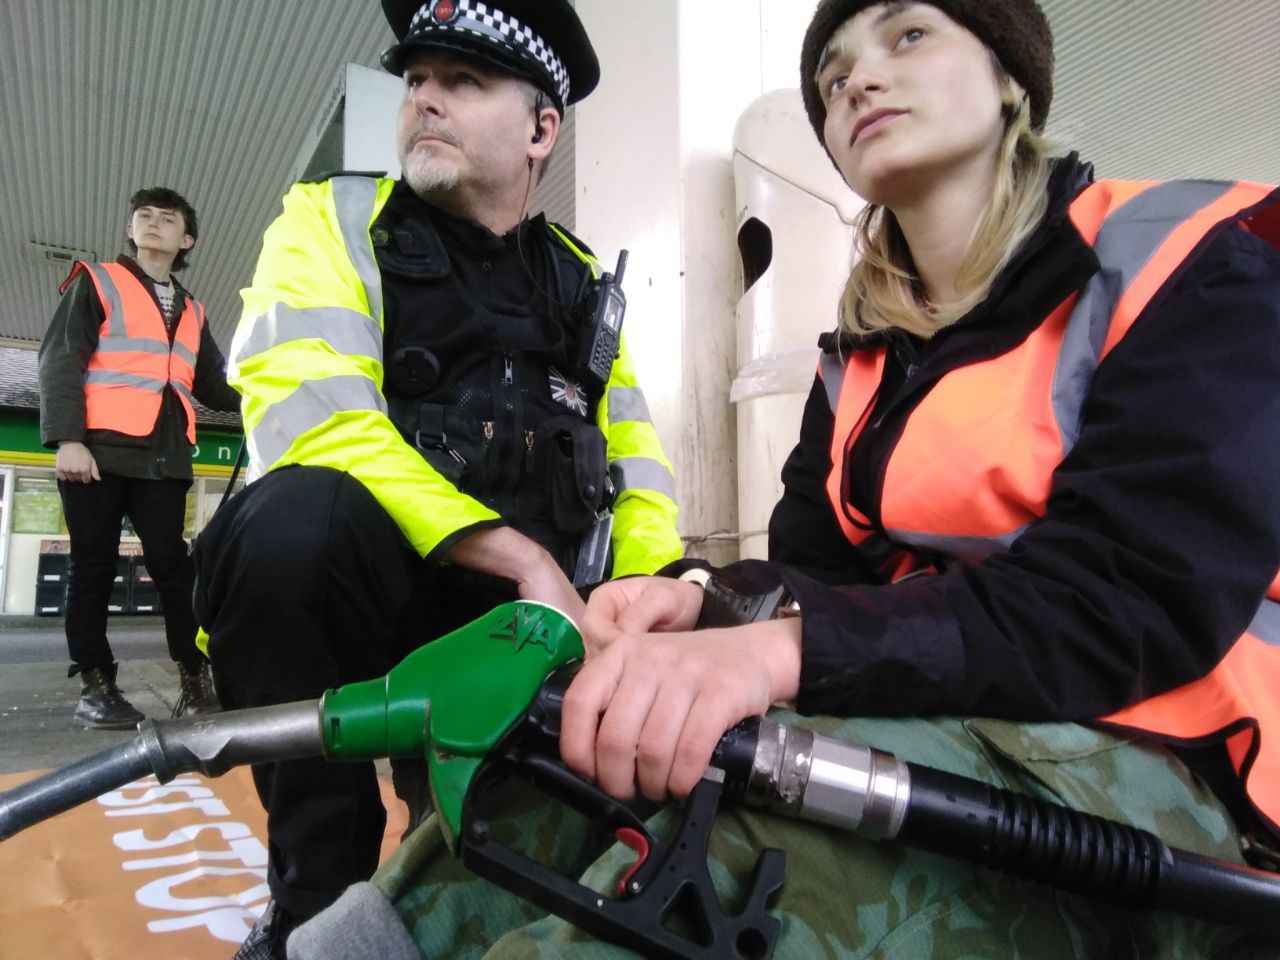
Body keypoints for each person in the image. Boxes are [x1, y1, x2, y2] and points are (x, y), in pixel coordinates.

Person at [285, 0, 1280, 957]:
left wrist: (772, 653)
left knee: (738, 869)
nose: (861, 80)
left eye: (907, 33)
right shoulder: (856, 365)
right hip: (942, 702)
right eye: (832, 77)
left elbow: (1123, 599)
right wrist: (696, 599)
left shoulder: (1183, 260)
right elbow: (820, 578)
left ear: (1010, 75)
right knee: (553, 775)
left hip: (1162, 742)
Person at [191, 0, 682, 954]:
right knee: (290, 526)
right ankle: (312, 905)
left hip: (536, 638)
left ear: (541, 129)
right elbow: (313, 418)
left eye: (464, 81)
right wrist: (517, 558)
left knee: (509, 880)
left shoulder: (584, 288)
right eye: (417, 78)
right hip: (378, 612)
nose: (424, 99)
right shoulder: (333, 219)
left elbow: (639, 468)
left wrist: (645, 599)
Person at [38, 187, 239, 730]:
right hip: (97, 453)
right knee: (93, 567)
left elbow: (215, 385)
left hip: (163, 458)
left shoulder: (193, 309)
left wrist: (274, 398)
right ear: (130, 230)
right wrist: (68, 439)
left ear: (186, 239)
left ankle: (195, 679)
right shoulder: (99, 280)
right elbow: (60, 359)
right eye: (143, 216)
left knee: (175, 568)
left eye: (167, 219)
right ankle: (96, 685)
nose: (152, 223)